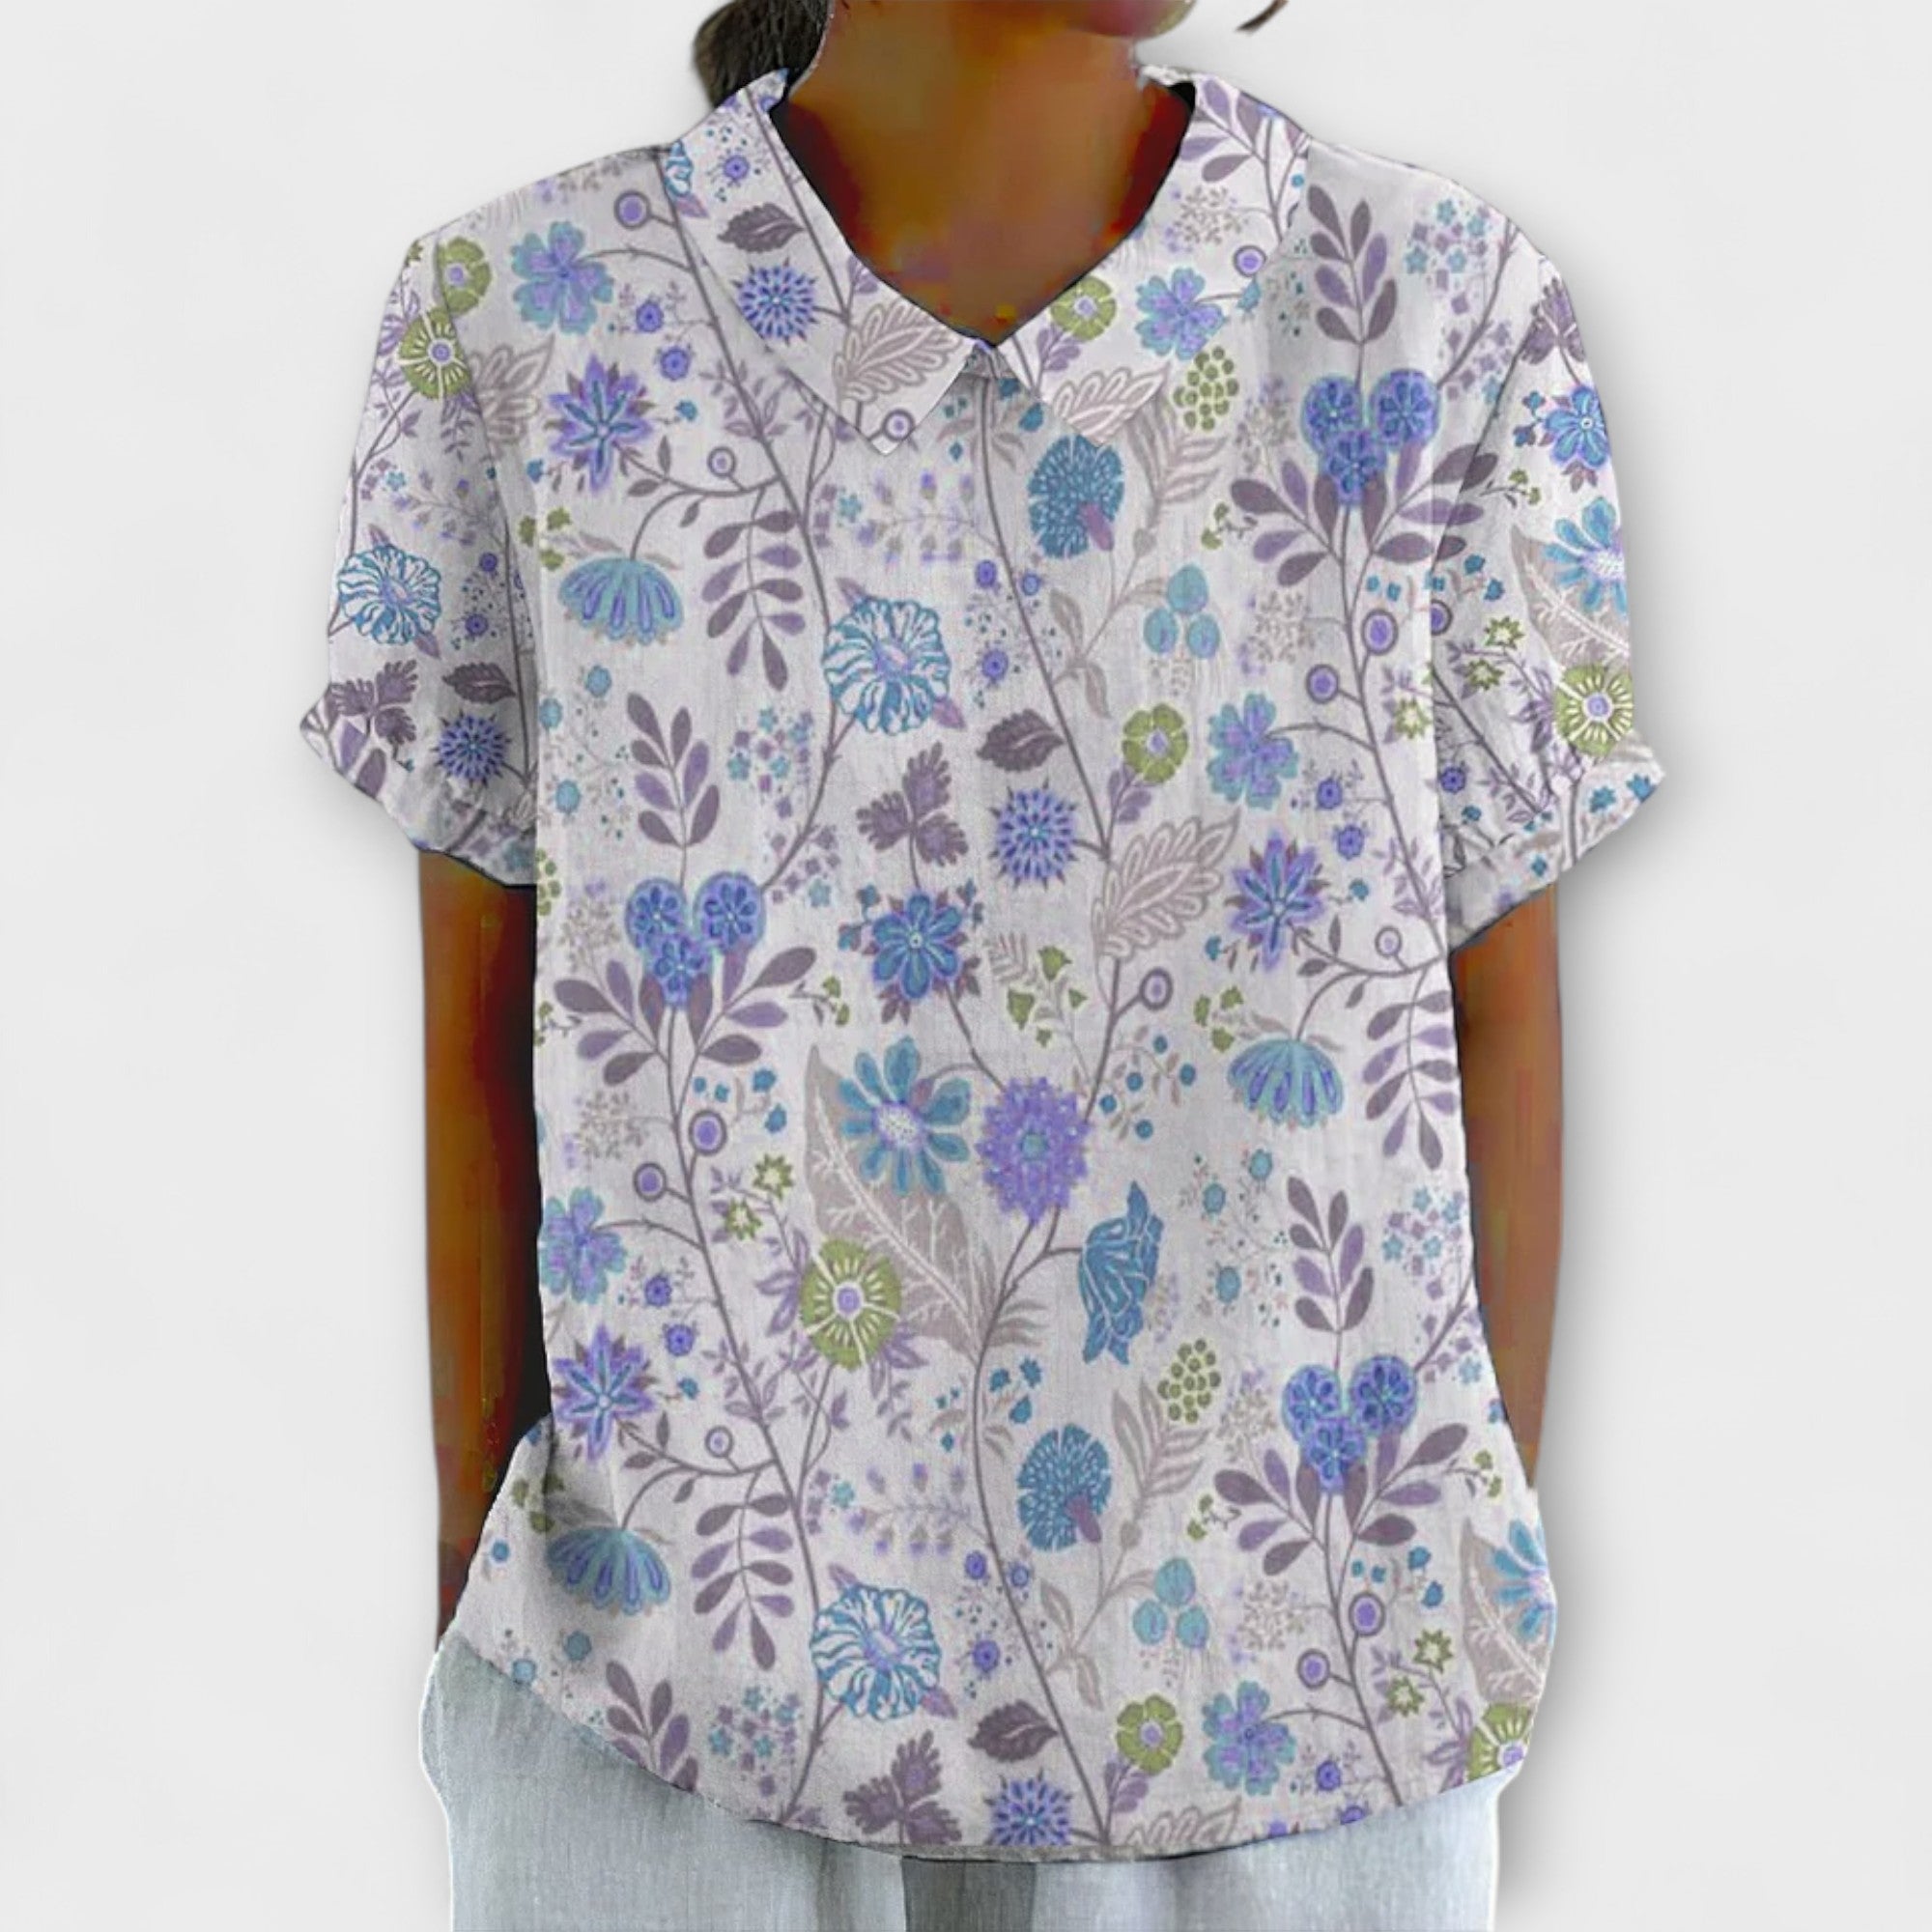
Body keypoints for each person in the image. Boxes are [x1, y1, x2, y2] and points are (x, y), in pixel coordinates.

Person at [298, 2, 1667, 1926]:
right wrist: (484, 1634)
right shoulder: (524, 326)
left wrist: (1422, 1590)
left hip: (1299, 1733)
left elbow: (1489, 1009)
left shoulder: (1432, 319)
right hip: (662, 1719)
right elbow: (480, 1036)